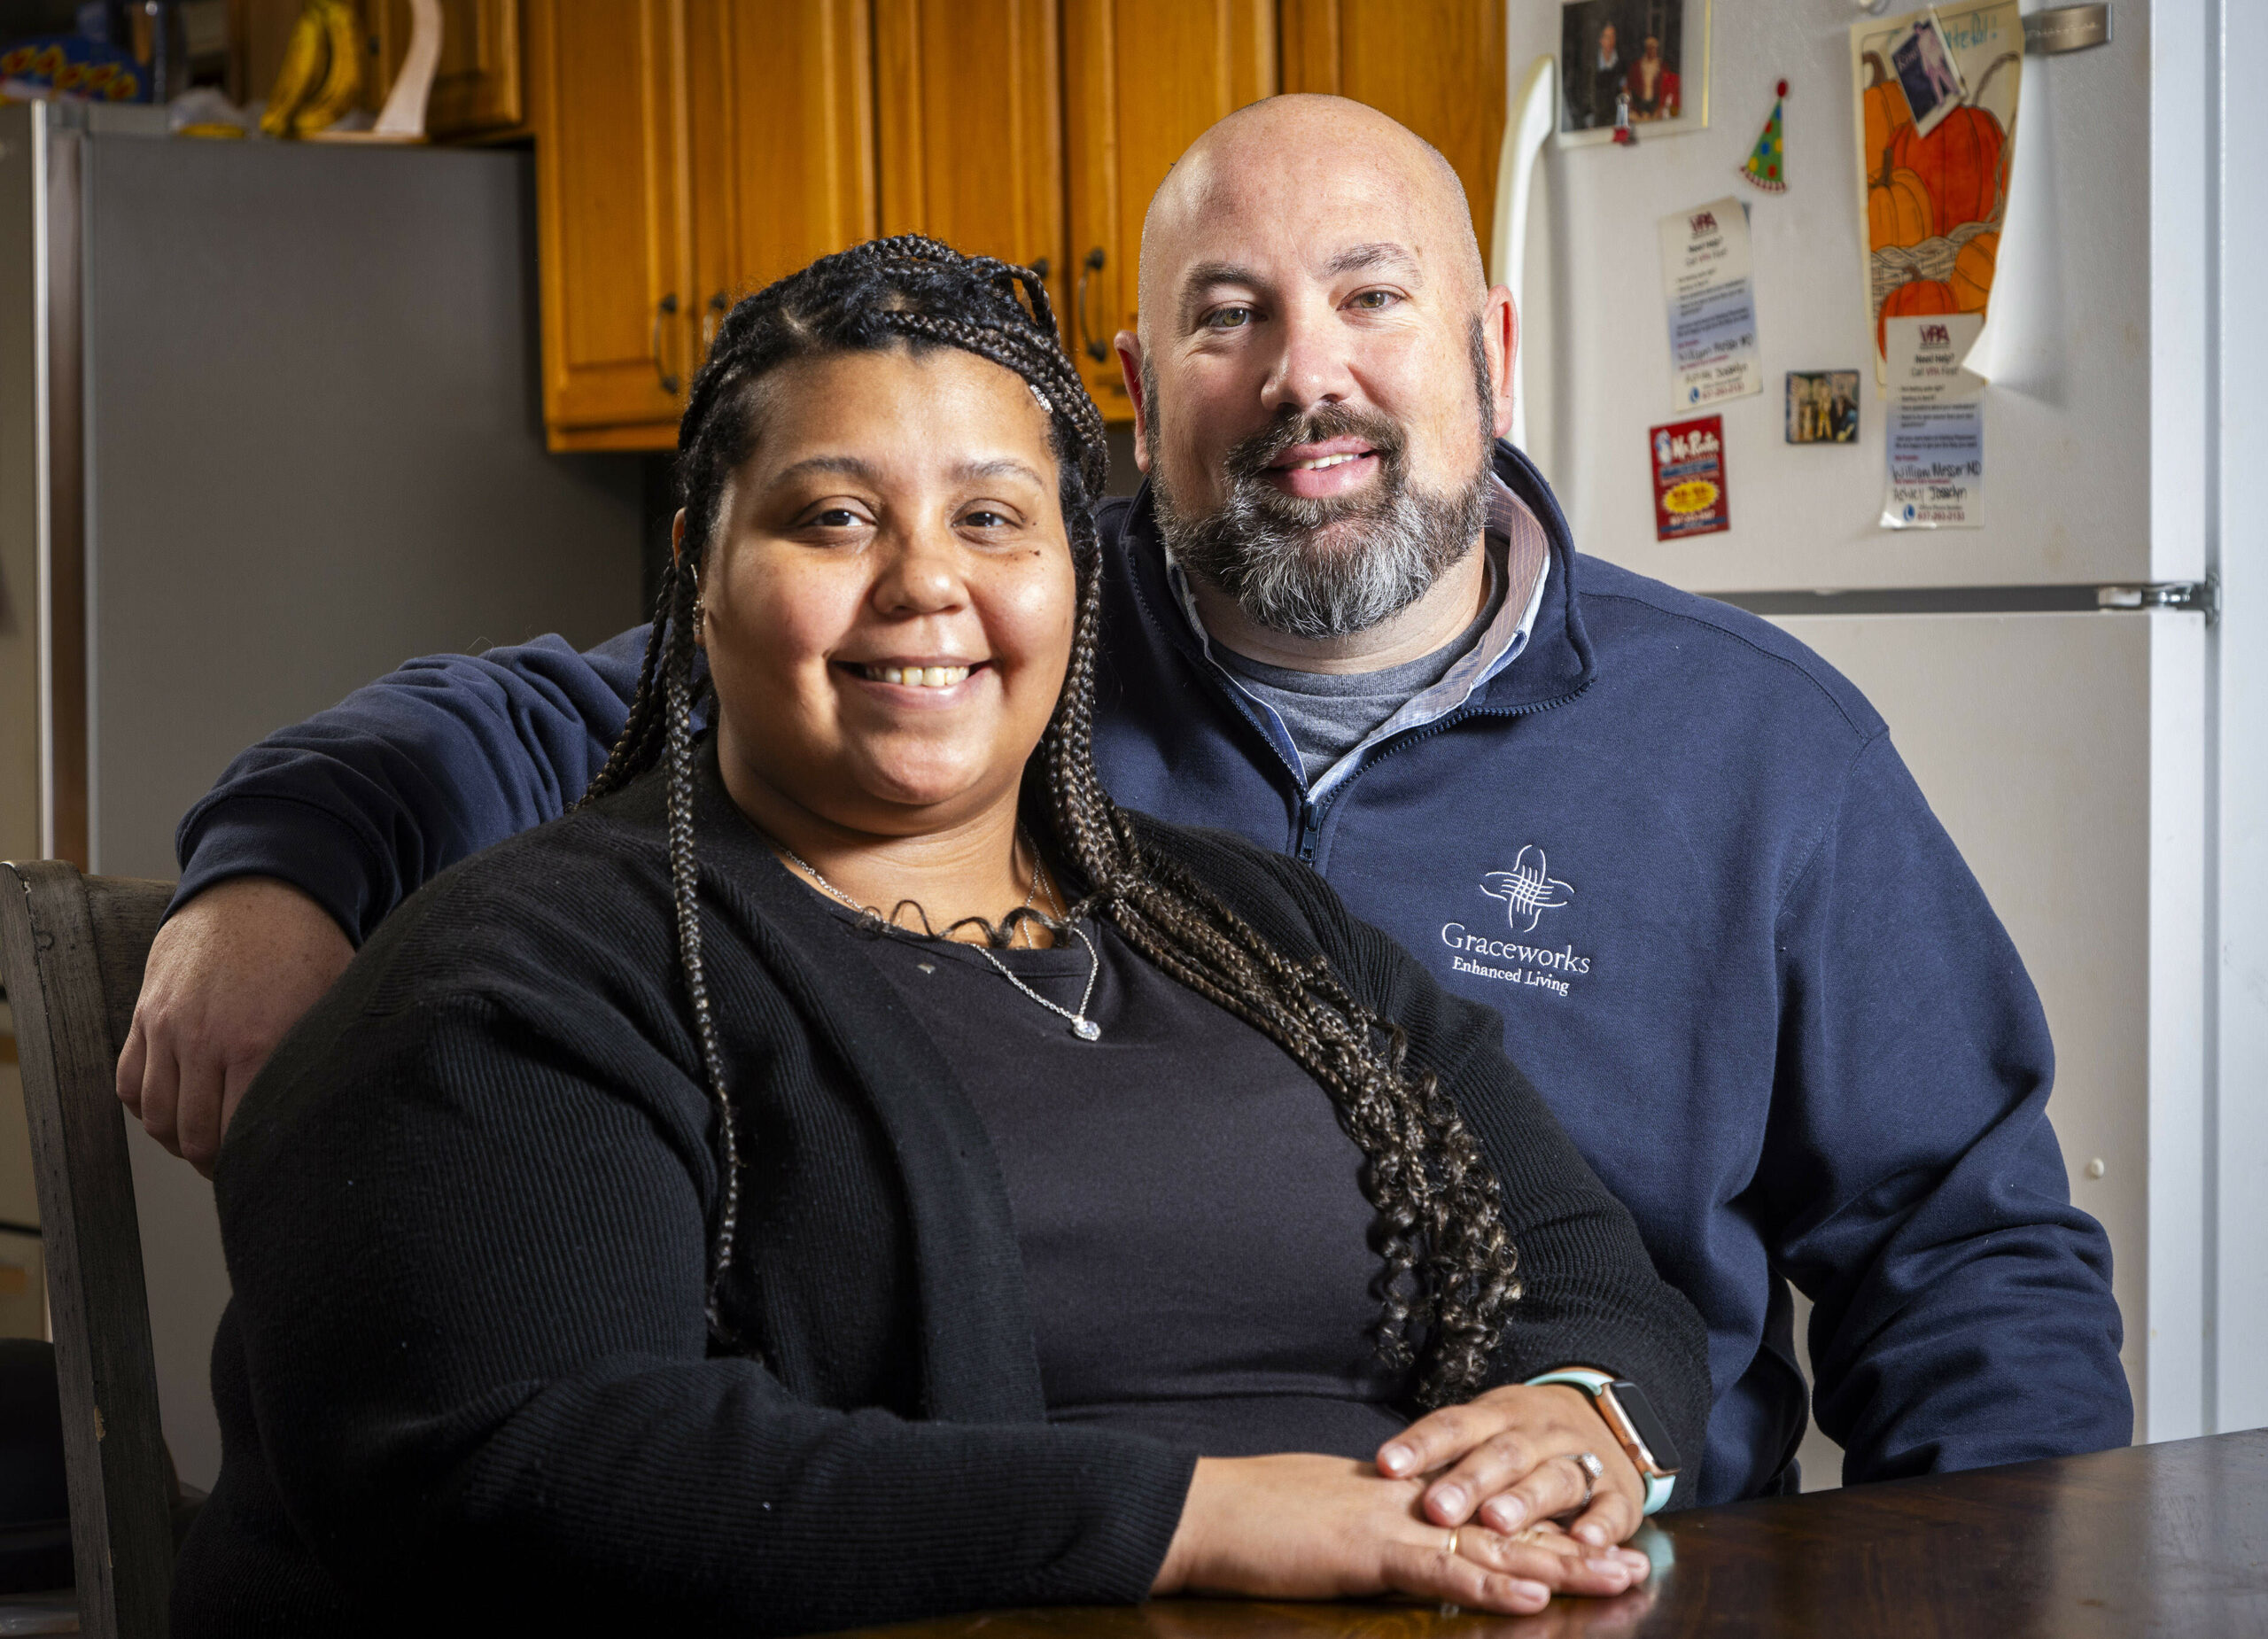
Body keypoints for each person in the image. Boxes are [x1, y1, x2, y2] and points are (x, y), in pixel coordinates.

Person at [125, 97, 2131, 1509]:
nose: (1301, 375)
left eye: (1369, 297)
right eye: (1226, 314)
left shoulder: (1763, 752)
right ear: (1135, 379)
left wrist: (1973, 1577)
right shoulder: (977, 648)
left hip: (1616, 1559)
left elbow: (1964, 1262)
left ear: (1490, 354)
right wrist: (274, 879)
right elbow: (552, 712)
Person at [168, 237, 1707, 1634]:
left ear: (1073, 579)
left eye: (991, 518)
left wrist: (1584, 1414)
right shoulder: (538, 976)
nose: (925, 584)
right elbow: (530, 1462)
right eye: (836, 518)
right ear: (704, 571)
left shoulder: (1253, 925)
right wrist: (1195, 1520)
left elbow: (1582, 1257)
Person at [1624, 35, 1679, 121]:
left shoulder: (1663, 67)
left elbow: (1669, 90)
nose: (1652, 50)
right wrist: (1629, 104)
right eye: (1650, 48)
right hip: (1638, 107)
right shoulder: (1636, 66)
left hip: (1656, 108)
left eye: (1654, 48)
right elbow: (1627, 88)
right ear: (1646, 49)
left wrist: (1662, 107)